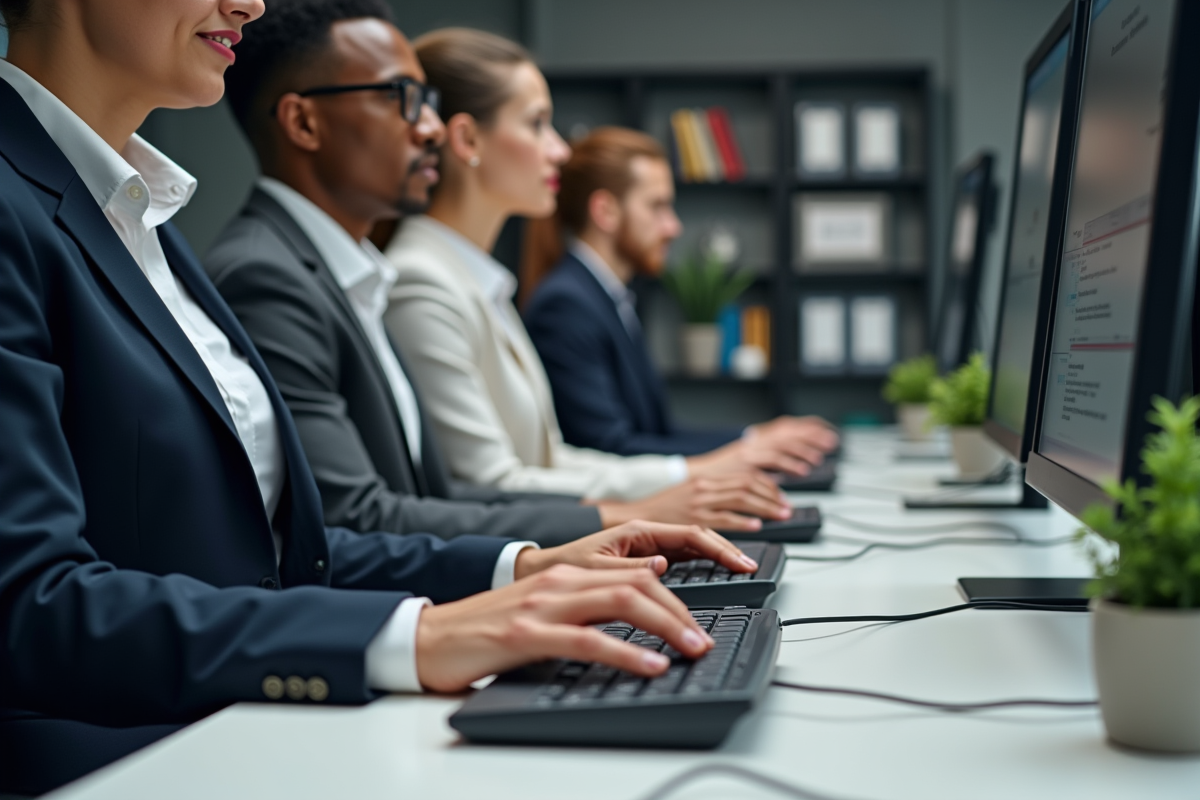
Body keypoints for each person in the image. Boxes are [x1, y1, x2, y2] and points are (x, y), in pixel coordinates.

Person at [0, 0, 756, 793]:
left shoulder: (141, 217)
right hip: (115, 756)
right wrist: (412, 636)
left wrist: (520, 566)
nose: (250, 3)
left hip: (230, 718)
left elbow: (281, 553)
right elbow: (30, 606)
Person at [206, 0, 614, 546]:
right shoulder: (265, 276)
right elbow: (355, 521)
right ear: (304, 122)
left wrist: (619, 518)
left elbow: (429, 497)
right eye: (403, 98)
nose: (431, 130)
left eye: (430, 102)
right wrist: (608, 522)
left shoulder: (348, 273)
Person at [382, 29, 801, 530]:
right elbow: (490, 485)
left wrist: (697, 476)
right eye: (537, 124)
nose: (560, 150)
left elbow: (550, 459)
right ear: (468, 140)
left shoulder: (481, 283)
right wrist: (673, 492)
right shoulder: (422, 282)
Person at [522, 127, 840, 463]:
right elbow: (610, 448)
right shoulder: (566, 306)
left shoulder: (604, 297)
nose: (673, 227)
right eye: (657, 207)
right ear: (606, 211)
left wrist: (754, 437)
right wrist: (749, 451)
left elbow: (657, 433)